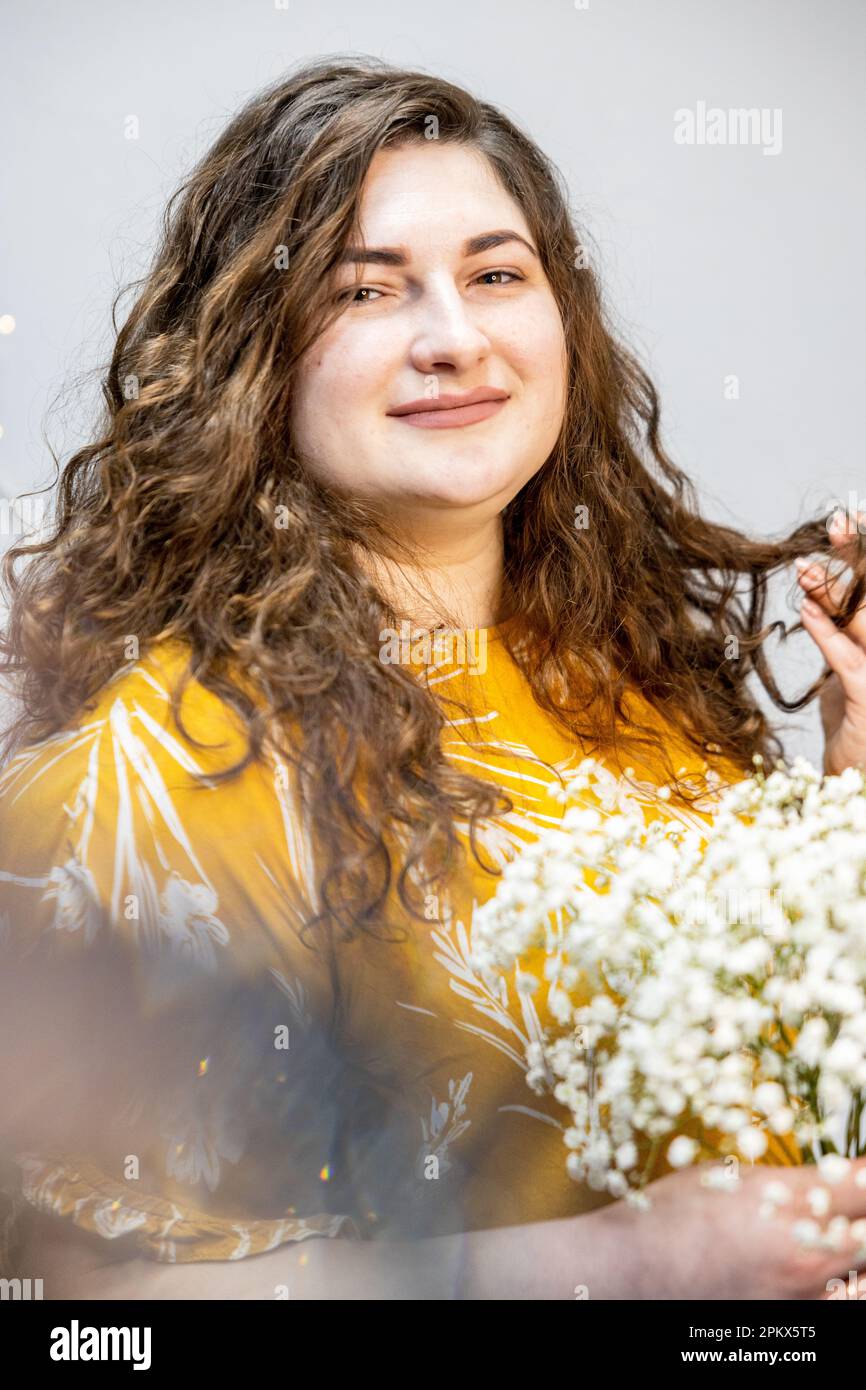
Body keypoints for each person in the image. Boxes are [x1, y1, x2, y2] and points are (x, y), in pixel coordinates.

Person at [2, 55, 865, 1301]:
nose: (453, 340)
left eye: (496, 275)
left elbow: (793, 1121)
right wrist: (620, 1267)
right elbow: (90, 1319)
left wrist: (845, 794)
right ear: (254, 356)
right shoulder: (141, 775)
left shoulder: (640, 702)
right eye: (367, 291)